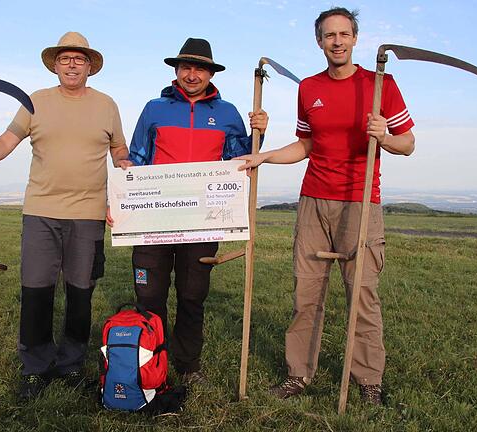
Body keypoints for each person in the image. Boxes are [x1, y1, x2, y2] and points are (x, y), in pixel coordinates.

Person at [236, 7, 415, 404]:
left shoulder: (380, 84)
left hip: (361, 201)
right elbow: (306, 145)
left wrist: (384, 135)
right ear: (319, 41)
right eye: (329, 35)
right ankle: (298, 375)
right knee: (307, 294)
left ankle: (369, 381)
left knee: (362, 295)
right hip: (314, 200)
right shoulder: (309, 88)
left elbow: (408, 143)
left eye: (344, 34)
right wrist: (263, 157)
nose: (337, 41)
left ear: (355, 39)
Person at [0, 32, 128, 400]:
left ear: (90, 66)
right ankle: (35, 367)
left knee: (81, 293)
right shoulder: (35, 102)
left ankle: (72, 364)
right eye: (65, 59)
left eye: (78, 59)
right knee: (36, 292)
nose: (71, 64)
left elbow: (119, 150)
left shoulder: (107, 105)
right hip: (40, 213)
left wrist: (130, 176)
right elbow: (5, 141)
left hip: (88, 215)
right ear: (55, 64)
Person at [112, 38, 268, 385]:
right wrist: (122, 186)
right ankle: (151, 359)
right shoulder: (154, 109)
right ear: (176, 70)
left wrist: (260, 133)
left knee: (192, 294)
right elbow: (136, 157)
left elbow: (242, 160)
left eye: (199, 68)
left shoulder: (227, 113)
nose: (192, 74)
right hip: (153, 221)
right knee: (149, 295)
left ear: (211, 73)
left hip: (202, 223)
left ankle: (188, 364)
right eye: (185, 67)